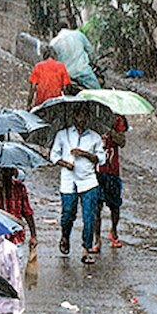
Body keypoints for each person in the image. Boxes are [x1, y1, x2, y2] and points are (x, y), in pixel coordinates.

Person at [49, 105, 107, 264]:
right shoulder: (63, 134)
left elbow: (101, 159)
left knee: (89, 216)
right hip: (68, 181)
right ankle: (65, 236)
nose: (82, 120)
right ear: (74, 117)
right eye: (79, 116)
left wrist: (85, 154)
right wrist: (65, 164)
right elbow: (53, 156)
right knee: (68, 214)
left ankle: (85, 248)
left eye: (85, 116)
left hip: (89, 181)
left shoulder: (94, 137)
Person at [0, 167, 38, 259]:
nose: (7, 174)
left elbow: (27, 211)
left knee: (16, 268)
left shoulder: (20, 187)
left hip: (16, 236)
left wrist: (33, 235)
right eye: (4, 171)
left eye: (10, 170)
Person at [95, 113, 128, 250]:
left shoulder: (117, 119)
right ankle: (97, 239)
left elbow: (122, 142)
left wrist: (111, 131)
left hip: (112, 171)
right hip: (96, 171)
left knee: (115, 206)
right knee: (96, 208)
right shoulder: (94, 118)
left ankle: (113, 231)